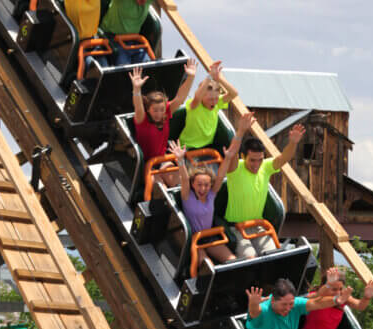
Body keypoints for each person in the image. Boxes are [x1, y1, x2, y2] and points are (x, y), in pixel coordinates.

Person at [168, 111, 253, 267]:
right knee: (205, 263)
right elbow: (185, 179)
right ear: (194, 185)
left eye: (206, 185)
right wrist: (180, 160)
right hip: (194, 238)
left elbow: (220, 176)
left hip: (210, 237)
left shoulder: (211, 195)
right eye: (199, 185)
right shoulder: (188, 196)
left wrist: (227, 157)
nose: (203, 188)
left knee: (232, 261)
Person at [225, 123, 305, 259]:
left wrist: (293, 143)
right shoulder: (235, 169)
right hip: (237, 228)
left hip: (258, 226)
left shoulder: (266, 167)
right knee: (250, 256)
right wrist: (240, 131)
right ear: (243, 157)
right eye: (252, 161)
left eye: (260, 160)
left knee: (273, 256)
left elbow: (284, 157)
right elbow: (232, 153)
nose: (257, 165)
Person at [245, 278, 346, 329]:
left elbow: (316, 303)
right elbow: (255, 312)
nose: (288, 308)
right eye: (284, 304)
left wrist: (335, 300)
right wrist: (253, 304)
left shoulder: (295, 305)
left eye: (291, 304)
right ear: (273, 300)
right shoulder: (264, 309)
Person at [129, 61, 197, 186]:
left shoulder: (165, 114)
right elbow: (138, 106)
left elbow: (180, 99)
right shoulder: (142, 119)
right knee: (160, 187)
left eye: (161, 110)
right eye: (155, 110)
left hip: (162, 159)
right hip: (146, 164)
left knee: (179, 182)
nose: (159, 113)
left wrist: (191, 77)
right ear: (148, 109)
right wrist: (136, 89)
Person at [297, 269, 373, 329]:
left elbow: (360, 306)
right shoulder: (316, 296)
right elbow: (313, 297)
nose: (337, 293)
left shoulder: (342, 297)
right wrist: (328, 284)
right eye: (334, 289)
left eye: (340, 289)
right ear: (325, 286)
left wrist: (367, 297)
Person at [179, 60, 238, 150]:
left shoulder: (217, 103)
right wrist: (210, 76)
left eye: (216, 98)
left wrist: (219, 79)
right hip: (189, 147)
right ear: (202, 96)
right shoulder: (194, 105)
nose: (214, 102)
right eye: (210, 99)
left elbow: (234, 93)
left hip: (207, 147)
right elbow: (197, 97)